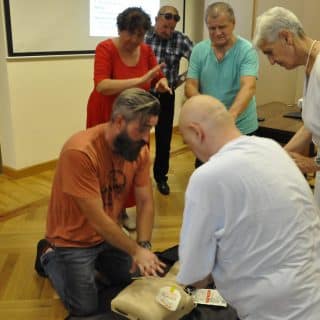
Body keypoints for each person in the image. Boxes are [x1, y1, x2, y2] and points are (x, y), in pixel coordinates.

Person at [177, 94, 320, 320]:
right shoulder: (271, 149)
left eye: (188, 142)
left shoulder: (207, 177)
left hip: (274, 311)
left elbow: (194, 275)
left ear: (197, 132)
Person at [35, 88, 165, 319]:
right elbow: (97, 221)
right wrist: (134, 250)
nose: (147, 137)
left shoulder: (139, 150)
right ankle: (48, 255)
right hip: (72, 240)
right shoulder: (80, 152)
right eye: (142, 128)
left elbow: (145, 202)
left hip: (109, 233)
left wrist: (143, 246)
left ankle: (97, 267)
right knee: (84, 309)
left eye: (151, 128)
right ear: (118, 121)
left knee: (133, 282)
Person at [86, 7, 171, 224]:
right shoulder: (105, 48)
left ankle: (122, 210)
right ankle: (107, 214)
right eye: (130, 33)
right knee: (108, 165)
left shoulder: (146, 51)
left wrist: (161, 83)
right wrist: (142, 79)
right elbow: (102, 86)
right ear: (120, 29)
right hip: (107, 115)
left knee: (131, 164)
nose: (135, 39)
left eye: (140, 34)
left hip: (135, 119)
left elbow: (157, 77)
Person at [253, 6, 320, 208]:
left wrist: (312, 164)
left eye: (270, 52)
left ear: (286, 37)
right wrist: (279, 157)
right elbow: (311, 125)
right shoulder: (310, 65)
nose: (271, 62)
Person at [185, 2, 259, 168]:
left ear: (233, 24)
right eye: (212, 28)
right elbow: (190, 85)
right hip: (209, 127)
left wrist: (228, 117)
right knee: (207, 173)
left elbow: (248, 87)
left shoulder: (247, 50)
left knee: (238, 178)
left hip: (241, 128)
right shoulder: (199, 50)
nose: (217, 33)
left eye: (222, 27)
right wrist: (208, 109)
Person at [145, 5, 193, 195]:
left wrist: (179, 82)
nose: (168, 31)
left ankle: (160, 178)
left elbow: (199, 61)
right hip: (143, 94)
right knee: (139, 138)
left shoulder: (180, 40)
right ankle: (138, 178)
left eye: (172, 28)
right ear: (156, 19)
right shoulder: (144, 36)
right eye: (165, 26)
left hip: (166, 96)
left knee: (164, 139)